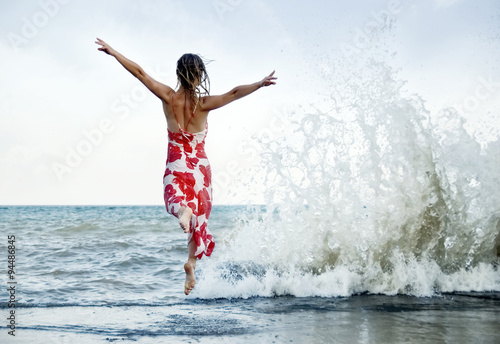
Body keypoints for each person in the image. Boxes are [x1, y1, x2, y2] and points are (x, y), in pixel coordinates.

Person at [95, 38, 277, 295]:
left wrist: (114, 53)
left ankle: (183, 211)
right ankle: (191, 262)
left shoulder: (168, 97)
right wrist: (259, 84)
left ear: (178, 74)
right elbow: (234, 93)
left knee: (176, 200)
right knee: (199, 219)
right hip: (200, 170)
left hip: (177, 164)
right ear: (200, 75)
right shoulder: (203, 104)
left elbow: (140, 73)